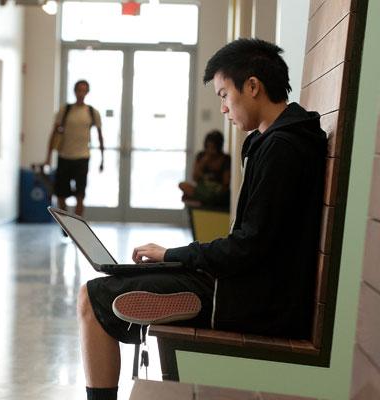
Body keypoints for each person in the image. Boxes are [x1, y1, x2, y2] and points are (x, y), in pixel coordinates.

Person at [77, 38, 327, 400]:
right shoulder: (275, 139)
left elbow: (247, 247)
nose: (223, 108)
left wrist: (174, 254)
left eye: (224, 94)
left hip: (253, 301)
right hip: (252, 287)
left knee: (93, 297)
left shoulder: (283, 148)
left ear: (253, 86)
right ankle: (153, 296)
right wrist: (178, 257)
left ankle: (155, 303)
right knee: (118, 282)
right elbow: (252, 242)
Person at [45, 79, 104, 217]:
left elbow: (100, 135)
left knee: (80, 195)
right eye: (79, 90)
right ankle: (66, 225)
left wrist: (102, 159)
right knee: (61, 195)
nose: (81, 93)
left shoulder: (92, 112)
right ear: (75, 91)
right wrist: (48, 157)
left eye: (84, 90)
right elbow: (53, 133)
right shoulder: (65, 110)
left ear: (87, 92)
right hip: (64, 157)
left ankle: (77, 228)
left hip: (82, 157)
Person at [179, 129, 231, 208]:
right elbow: (195, 178)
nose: (210, 150)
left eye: (213, 147)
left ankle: (203, 202)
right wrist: (204, 162)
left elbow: (226, 183)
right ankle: (203, 201)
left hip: (216, 191)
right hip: (202, 189)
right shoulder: (201, 156)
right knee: (183, 185)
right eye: (208, 146)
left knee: (222, 195)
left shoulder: (225, 159)